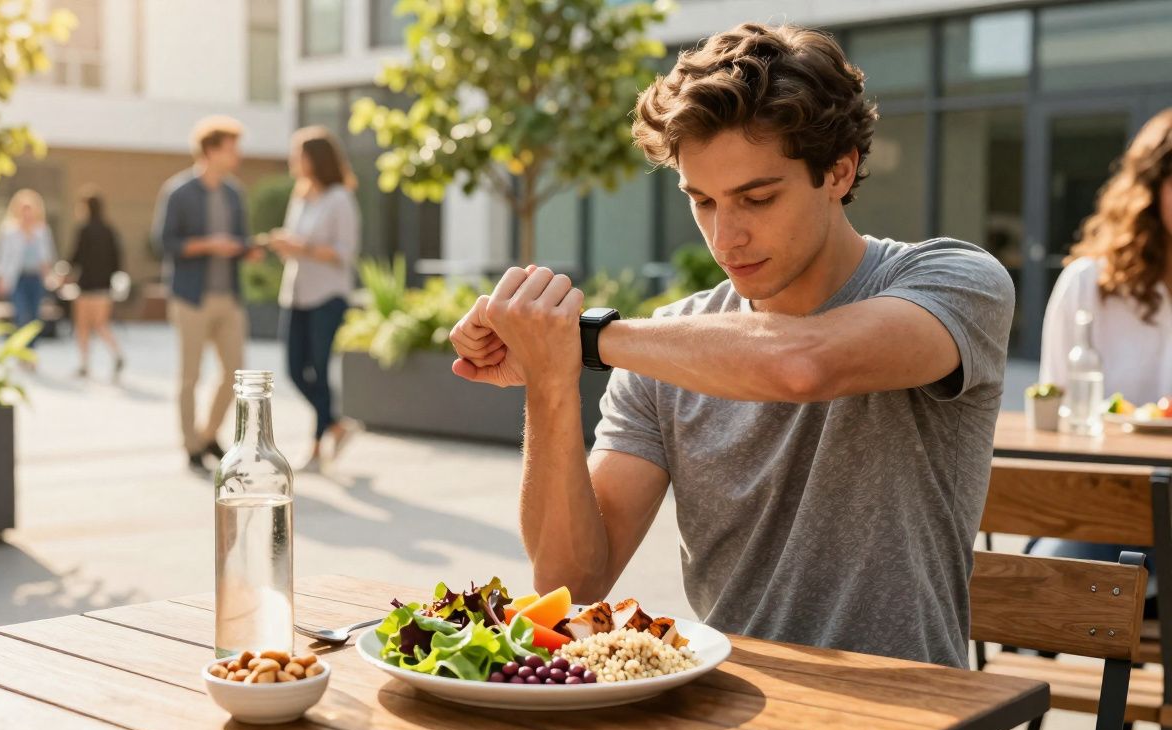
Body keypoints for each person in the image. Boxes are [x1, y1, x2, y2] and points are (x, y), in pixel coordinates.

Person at [449, 22, 1014, 668]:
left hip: (907, 709)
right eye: (703, 202)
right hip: (728, 706)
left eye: (757, 198)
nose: (725, 238)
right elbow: (572, 581)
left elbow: (801, 364)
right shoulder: (662, 349)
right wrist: (549, 378)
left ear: (838, 170)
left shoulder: (956, 282)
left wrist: (586, 341)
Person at [1030, 108, 1172, 611]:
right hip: (1106, 509)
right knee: (1046, 583)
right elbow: (1055, 413)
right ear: (1152, 191)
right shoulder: (1089, 285)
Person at [153, 116, 256, 473]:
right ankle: (191, 446)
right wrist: (207, 244)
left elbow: (241, 240)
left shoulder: (234, 193)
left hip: (229, 296)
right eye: (231, 149)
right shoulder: (178, 192)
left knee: (235, 375)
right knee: (190, 377)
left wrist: (247, 249)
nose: (236, 155)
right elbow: (163, 243)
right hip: (191, 298)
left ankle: (209, 433)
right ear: (211, 151)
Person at [267, 127, 361, 472]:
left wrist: (301, 247)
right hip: (296, 294)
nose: (294, 161)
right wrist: (285, 246)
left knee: (319, 369)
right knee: (293, 369)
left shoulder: (340, 198)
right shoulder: (301, 195)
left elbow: (345, 253)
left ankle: (317, 445)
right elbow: (297, 247)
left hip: (328, 295)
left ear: (316, 159)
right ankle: (337, 424)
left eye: (299, 154)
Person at [68, 187, 126, 380]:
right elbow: (118, 260)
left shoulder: (84, 230)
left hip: (85, 286)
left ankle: (85, 365)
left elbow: (75, 257)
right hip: (104, 286)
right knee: (101, 324)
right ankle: (117, 354)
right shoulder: (110, 230)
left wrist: (64, 273)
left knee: (83, 326)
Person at [0, 188, 56, 352]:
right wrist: (0, 278)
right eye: (24, 209)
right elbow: (0, 257)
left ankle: (31, 351)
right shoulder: (9, 231)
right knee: (22, 315)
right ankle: (21, 350)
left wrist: (49, 277)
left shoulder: (42, 231)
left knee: (35, 317)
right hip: (18, 278)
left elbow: (47, 257)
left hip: (35, 278)